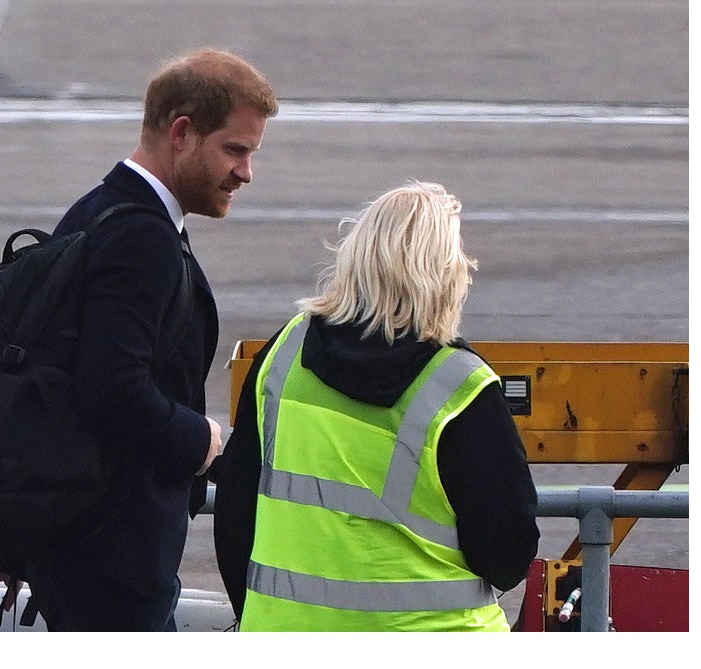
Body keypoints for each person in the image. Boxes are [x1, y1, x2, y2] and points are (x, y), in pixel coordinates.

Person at [0, 47, 278, 631]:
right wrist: (203, 441)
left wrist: (24, 536)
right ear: (182, 132)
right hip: (115, 563)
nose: (245, 172)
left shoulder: (95, 212)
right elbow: (110, 389)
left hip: (83, 551)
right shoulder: (140, 239)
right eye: (235, 149)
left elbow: (50, 389)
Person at [211, 180, 540, 631]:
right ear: (447, 275)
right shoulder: (458, 387)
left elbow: (235, 512)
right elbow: (508, 554)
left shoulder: (283, 355)